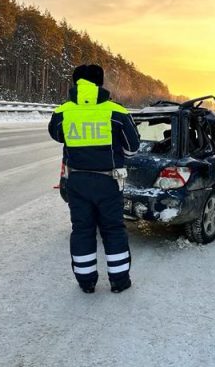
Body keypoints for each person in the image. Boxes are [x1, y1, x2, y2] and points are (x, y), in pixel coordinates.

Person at [48, 64, 140, 294]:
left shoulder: (62, 112)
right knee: (113, 229)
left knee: (82, 230)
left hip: (77, 182)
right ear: (100, 84)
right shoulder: (117, 113)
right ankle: (119, 281)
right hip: (108, 181)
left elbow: (56, 135)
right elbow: (133, 148)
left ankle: (86, 282)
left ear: (75, 83)